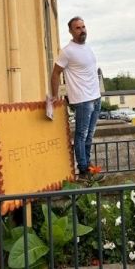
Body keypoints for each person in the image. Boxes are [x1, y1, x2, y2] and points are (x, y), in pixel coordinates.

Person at [51, 16, 103, 181]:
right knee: (81, 135)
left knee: (90, 134)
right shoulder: (67, 51)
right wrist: (55, 96)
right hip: (82, 100)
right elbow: (55, 74)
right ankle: (83, 170)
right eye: (78, 28)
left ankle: (87, 165)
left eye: (83, 27)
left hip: (95, 98)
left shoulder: (87, 47)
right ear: (71, 31)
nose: (82, 30)